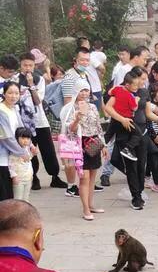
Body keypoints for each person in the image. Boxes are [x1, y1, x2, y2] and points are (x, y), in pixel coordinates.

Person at [104, 66, 156, 210]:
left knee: (141, 166)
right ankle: (136, 197)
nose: (144, 81)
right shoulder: (122, 91)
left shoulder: (144, 92)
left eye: (145, 79)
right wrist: (122, 119)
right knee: (131, 167)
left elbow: (147, 113)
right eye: (142, 78)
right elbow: (108, 108)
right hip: (124, 133)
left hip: (141, 134)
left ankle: (139, 191)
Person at [18, 52, 67, 191]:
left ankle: (55, 176)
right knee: (29, 149)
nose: (28, 68)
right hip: (24, 122)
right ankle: (34, 178)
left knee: (48, 150)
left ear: (34, 66)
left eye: (30, 65)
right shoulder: (15, 79)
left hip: (39, 120)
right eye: (25, 65)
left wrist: (31, 84)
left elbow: (38, 101)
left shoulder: (39, 79)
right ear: (20, 65)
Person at [60, 83, 107, 221]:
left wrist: (103, 144)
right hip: (79, 144)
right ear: (76, 91)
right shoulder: (69, 109)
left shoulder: (92, 106)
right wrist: (77, 117)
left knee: (92, 176)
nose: (85, 93)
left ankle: (90, 204)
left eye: (87, 90)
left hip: (94, 142)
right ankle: (85, 209)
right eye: (82, 90)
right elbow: (70, 129)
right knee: (84, 178)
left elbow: (98, 126)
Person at [60, 48, 91, 198]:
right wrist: (74, 119)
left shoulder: (84, 74)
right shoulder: (69, 76)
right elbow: (67, 101)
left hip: (84, 120)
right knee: (70, 154)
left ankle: (84, 181)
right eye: (82, 60)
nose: (85, 63)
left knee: (82, 154)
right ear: (75, 60)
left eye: (87, 60)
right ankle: (71, 185)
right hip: (72, 120)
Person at [0, 83, 32, 201]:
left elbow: (21, 128)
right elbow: (6, 136)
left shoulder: (14, 109)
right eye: (10, 93)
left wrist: (30, 145)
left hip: (14, 157)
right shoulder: (1, 110)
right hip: (3, 158)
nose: (13, 96)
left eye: (16, 93)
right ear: (4, 94)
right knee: (5, 195)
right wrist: (21, 152)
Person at [105, 71, 141, 162]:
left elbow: (109, 92)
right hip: (126, 119)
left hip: (115, 118)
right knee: (137, 133)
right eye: (135, 85)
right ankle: (128, 148)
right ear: (128, 85)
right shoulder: (130, 96)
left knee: (107, 136)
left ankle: (91, 150)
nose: (137, 87)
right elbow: (134, 108)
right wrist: (136, 100)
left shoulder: (117, 89)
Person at [9, 128, 35, 203]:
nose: (25, 140)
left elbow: (28, 159)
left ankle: (24, 214)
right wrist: (14, 176)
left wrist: (33, 153)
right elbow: (10, 165)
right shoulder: (15, 151)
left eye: (28, 138)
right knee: (18, 199)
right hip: (19, 179)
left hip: (28, 178)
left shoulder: (26, 149)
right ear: (17, 138)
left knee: (26, 199)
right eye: (23, 138)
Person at [88, 39, 107, 111]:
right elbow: (103, 67)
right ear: (102, 48)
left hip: (92, 78)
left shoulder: (91, 55)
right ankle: (105, 114)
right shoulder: (103, 55)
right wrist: (101, 77)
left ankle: (105, 114)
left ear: (93, 47)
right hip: (98, 78)